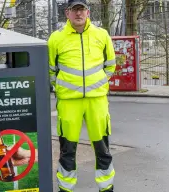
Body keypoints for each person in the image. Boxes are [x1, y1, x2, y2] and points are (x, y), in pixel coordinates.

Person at [47, 0, 116, 191]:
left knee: (102, 147)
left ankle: (106, 187)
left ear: (88, 12)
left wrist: (101, 82)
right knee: (67, 149)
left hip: (97, 100)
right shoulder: (56, 38)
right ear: (67, 13)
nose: (79, 14)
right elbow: (50, 70)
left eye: (82, 9)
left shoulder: (102, 35)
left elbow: (110, 64)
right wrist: (61, 87)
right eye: (75, 10)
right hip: (69, 101)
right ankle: (66, 188)